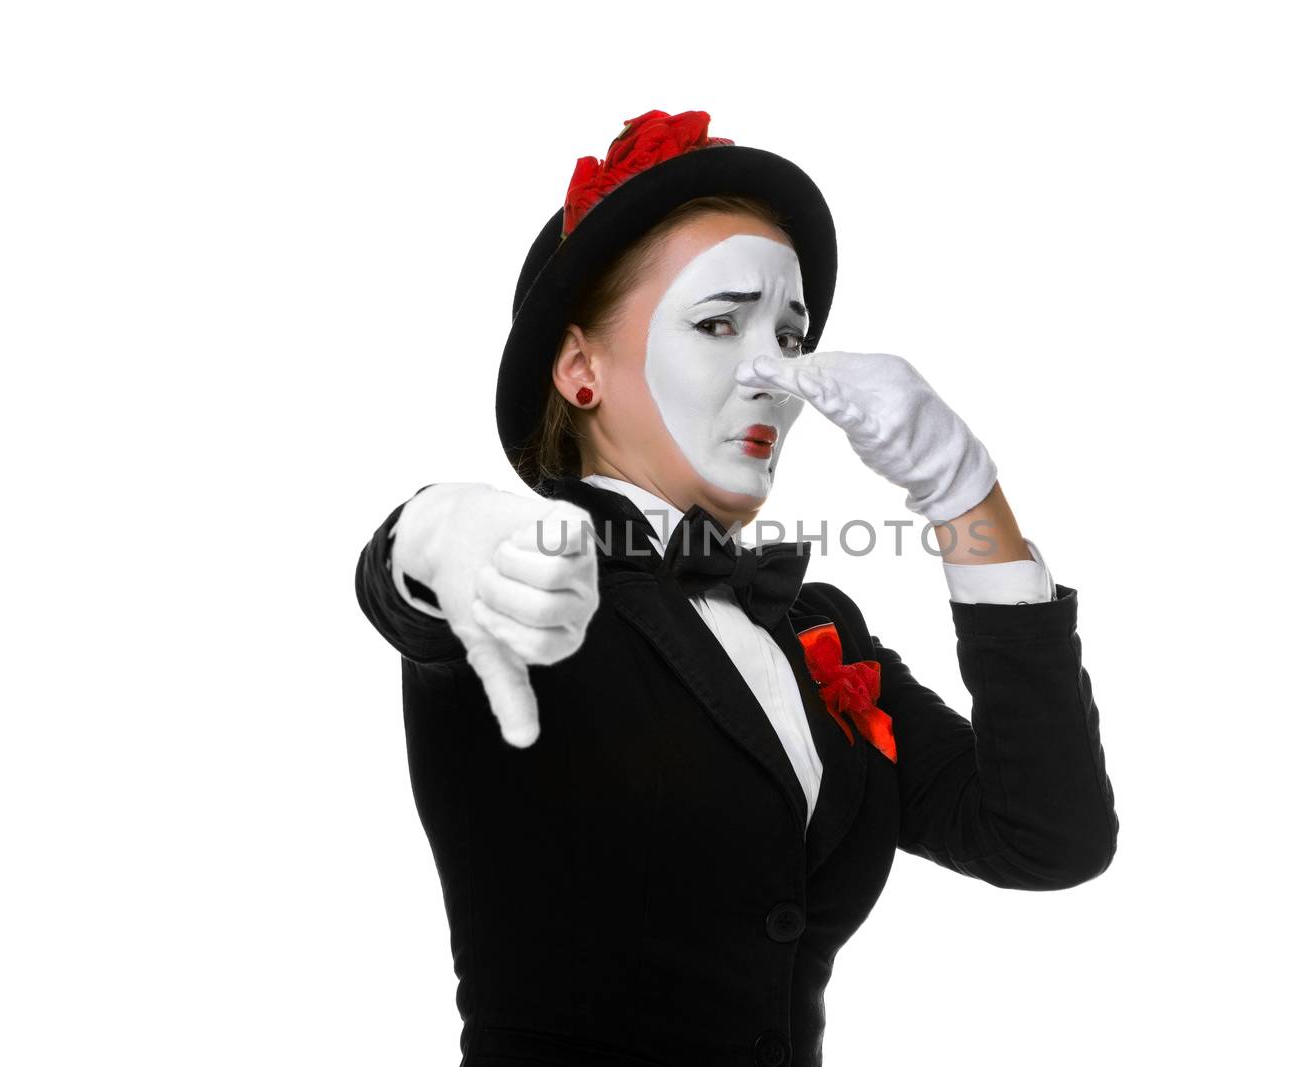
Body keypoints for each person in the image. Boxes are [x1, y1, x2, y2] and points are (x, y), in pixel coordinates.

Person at [354, 108, 1118, 1067]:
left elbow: (1050, 835)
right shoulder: (520, 575)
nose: (772, 374)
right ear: (581, 367)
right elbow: (418, 590)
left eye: (789, 337)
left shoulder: (815, 628)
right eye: (720, 323)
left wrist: (964, 493)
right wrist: (426, 534)